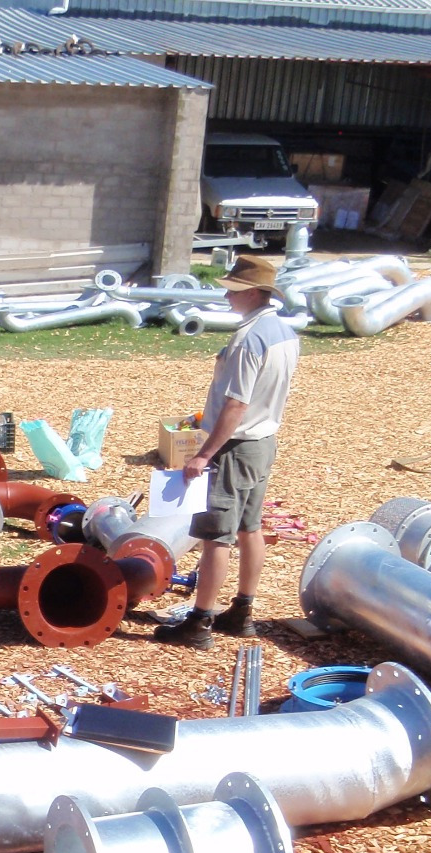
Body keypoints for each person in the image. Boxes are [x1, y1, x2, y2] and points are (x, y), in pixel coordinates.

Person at [156, 254, 301, 649]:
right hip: (263, 443)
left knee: (216, 535)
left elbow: (236, 404)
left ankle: (199, 623)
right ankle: (242, 611)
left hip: (235, 447)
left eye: (233, 290)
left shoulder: (247, 339)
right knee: (249, 527)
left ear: (252, 292)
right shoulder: (284, 333)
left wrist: (204, 455)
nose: (227, 295)